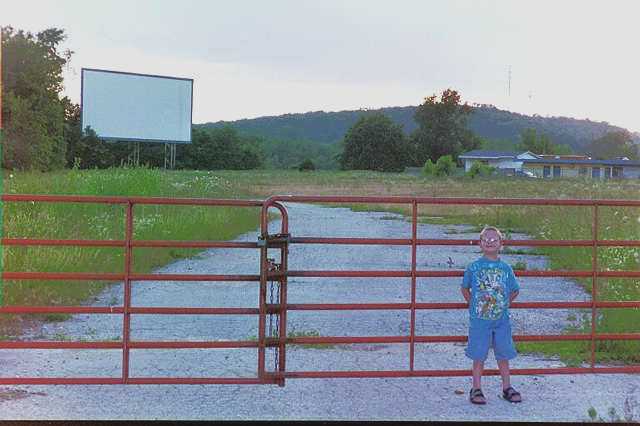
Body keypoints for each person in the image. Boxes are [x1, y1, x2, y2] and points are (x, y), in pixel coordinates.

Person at [461, 225, 522, 404]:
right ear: (480, 243)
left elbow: (515, 290)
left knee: (503, 354)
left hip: (501, 320)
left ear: (501, 244)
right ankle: (476, 388)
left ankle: (507, 387)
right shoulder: (473, 267)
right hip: (480, 320)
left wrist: (504, 305)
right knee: (479, 354)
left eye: (494, 239)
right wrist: (473, 304)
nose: (489, 242)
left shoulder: (505, 269)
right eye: (485, 239)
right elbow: (465, 288)